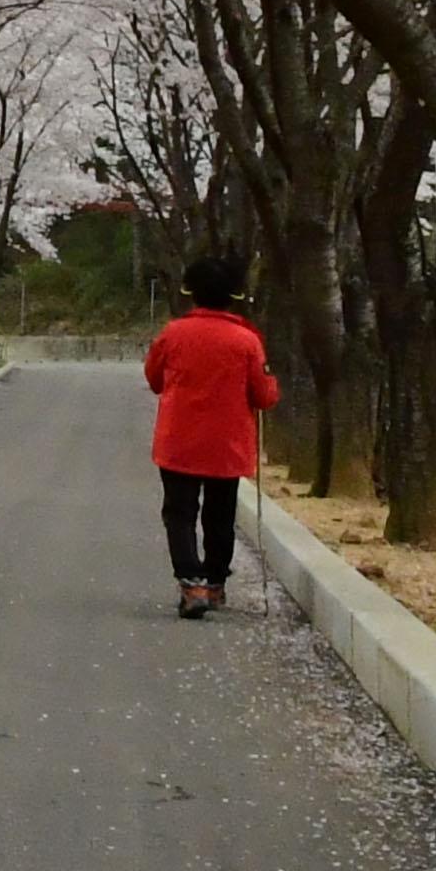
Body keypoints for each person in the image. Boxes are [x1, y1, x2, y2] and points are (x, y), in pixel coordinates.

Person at [142, 254, 278, 619]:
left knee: (180, 513)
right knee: (220, 515)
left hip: (179, 441)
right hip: (227, 444)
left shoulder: (172, 334)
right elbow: (264, 396)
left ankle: (191, 583)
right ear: (233, 295)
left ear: (192, 293)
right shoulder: (247, 341)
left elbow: (154, 380)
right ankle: (215, 582)